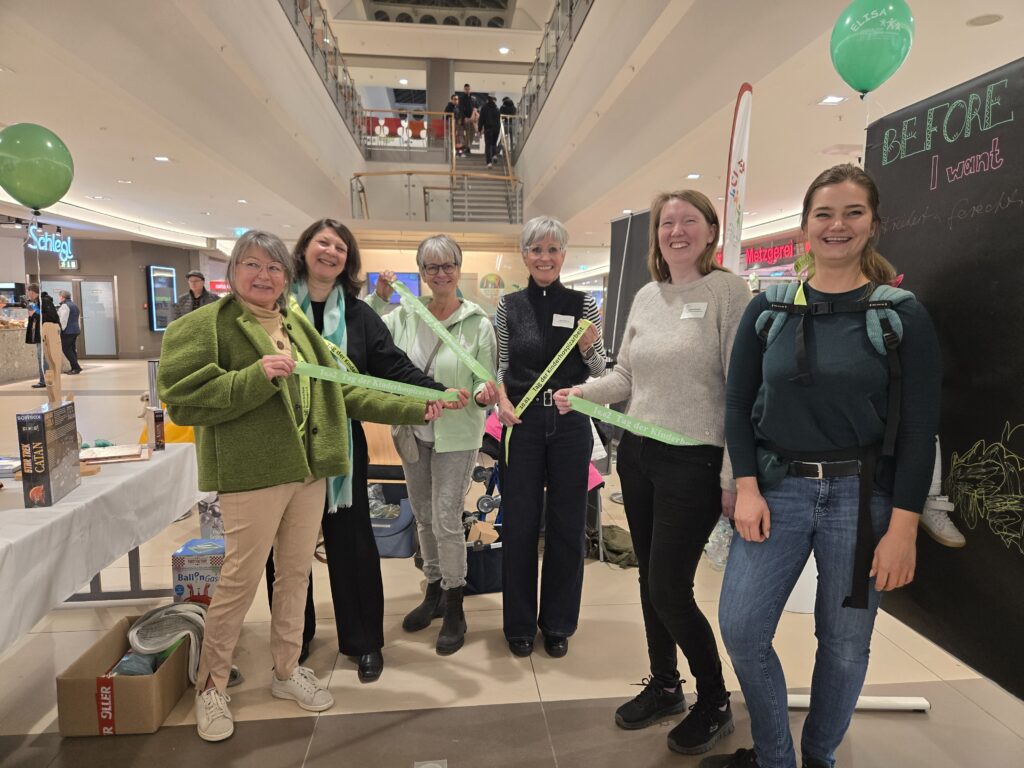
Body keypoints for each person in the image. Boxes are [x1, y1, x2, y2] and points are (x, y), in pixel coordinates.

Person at [158, 230, 438, 742]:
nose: (263, 276)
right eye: (252, 265)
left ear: (287, 277)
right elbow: (182, 401)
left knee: (295, 576)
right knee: (240, 582)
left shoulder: (299, 329)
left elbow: (346, 393)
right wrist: (254, 376)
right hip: (253, 474)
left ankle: (287, 670)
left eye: (273, 268)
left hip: (310, 473)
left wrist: (418, 406)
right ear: (233, 271)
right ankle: (211, 686)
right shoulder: (204, 326)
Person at [706, 164, 941, 768]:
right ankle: (776, 757)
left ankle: (819, 757)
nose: (838, 225)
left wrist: (904, 528)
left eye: (853, 212)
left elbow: (920, 429)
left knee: (844, 644)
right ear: (805, 228)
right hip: (777, 491)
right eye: (824, 214)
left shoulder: (901, 315)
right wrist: (746, 487)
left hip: (863, 501)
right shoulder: (769, 309)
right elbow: (737, 405)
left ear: (874, 224)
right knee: (742, 629)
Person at [555, 190, 750, 755]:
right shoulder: (646, 296)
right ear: (656, 236)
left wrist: (733, 477)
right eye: (667, 222)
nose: (676, 230)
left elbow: (741, 391)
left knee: (669, 586)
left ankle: (714, 700)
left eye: (689, 220)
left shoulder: (728, 293)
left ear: (710, 231)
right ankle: (665, 685)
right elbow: (626, 378)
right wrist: (582, 392)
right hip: (638, 454)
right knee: (648, 579)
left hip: (695, 461)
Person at [264, 218, 468, 683]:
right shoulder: (275, 309)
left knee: (353, 544)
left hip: (341, 446)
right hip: (283, 444)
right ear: (304, 249)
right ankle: (295, 637)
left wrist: (434, 391)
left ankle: (363, 642)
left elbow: (391, 365)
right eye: (323, 243)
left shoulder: (358, 316)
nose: (331, 252)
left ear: (348, 260)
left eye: (340, 247)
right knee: (287, 550)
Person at [369, 236, 499, 655]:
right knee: (423, 516)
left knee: (445, 518)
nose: (441, 274)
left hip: (457, 434)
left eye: (448, 266)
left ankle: (455, 603)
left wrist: (481, 393)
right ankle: (434, 589)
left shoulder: (477, 323)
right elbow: (366, 334)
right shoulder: (405, 314)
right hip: (413, 431)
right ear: (421, 272)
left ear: (458, 269)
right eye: (431, 267)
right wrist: (379, 297)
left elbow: (485, 378)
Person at [495, 215, 605, 658]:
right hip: (521, 424)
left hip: (570, 422)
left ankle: (558, 623)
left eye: (553, 249)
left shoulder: (583, 303)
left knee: (567, 523)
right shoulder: (508, 305)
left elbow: (600, 369)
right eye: (536, 249)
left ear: (564, 255)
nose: (545, 257)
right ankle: (519, 624)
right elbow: (500, 367)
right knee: (519, 523)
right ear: (524, 255)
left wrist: (588, 347)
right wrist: (501, 401)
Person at [57, 290, 83, 374]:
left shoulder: (65, 306)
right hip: (75, 330)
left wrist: (60, 330)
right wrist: (78, 329)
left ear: (62, 297)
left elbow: (63, 320)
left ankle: (76, 367)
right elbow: (78, 319)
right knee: (72, 349)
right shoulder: (74, 305)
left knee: (66, 349)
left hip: (68, 331)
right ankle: (74, 368)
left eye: (59, 296)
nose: (59, 298)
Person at [478, 94, 501, 168]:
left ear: (487, 100)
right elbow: (498, 119)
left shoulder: (484, 108)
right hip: (496, 129)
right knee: (494, 143)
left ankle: (489, 163)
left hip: (488, 129)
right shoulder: (496, 108)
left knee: (488, 145)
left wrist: (479, 129)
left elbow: (481, 119)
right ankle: (494, 155)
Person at [457, 83, 477, 156]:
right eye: (466, 89)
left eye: (468, 89)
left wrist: (475, 116)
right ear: (464, 89)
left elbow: (475, 108)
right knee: (467, 132)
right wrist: (464, 117)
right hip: (466, 118)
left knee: (472, 132)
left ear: (470, 89)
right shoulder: (462, 98)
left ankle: (468, 146)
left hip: (472, 118)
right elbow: (461, 109)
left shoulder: (473, 98)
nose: (467, 90)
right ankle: (466, 147)